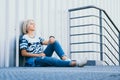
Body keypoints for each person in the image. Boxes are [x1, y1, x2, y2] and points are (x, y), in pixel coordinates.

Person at [19, 19, 87, 67]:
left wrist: (51, 38)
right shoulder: (24, 38)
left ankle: (65, 58)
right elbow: (23, 53)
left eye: (34, 24)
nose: (34, 25)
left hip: (41, 56)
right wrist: (38, 55)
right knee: (52, 59)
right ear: (26, 26)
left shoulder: (37, 37)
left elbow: (48, 42)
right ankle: (74, 63)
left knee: (55, 42)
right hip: (33, 60)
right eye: (31, 24)